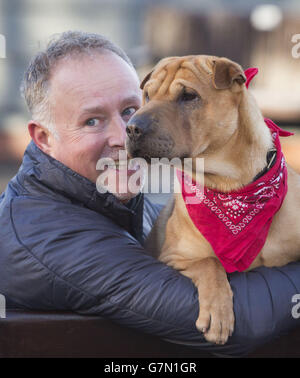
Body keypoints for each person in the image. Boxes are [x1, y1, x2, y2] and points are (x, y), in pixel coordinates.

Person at [0, 30, 299, 357]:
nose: (124, 136)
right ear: (43, 137)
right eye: (92, 121)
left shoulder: (123, 202)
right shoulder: (48, 238)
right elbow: (236, 325)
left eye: (131, 110)